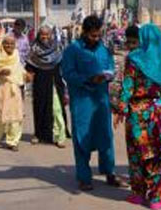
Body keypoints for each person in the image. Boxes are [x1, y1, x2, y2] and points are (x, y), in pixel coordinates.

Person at [113, 24, 161, 209]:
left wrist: (120, 110)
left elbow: (127, 87)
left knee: (137, 154)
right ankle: (156, 198)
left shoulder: (134, 59)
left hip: (137, 113)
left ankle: (137, 194)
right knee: (160, 154)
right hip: (160, 115)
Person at [61, 15, 124, 191]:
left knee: (106, 137)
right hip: (82, 101)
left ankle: (109, 172)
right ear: (84, 32)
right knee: (82, 138)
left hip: (102, 100)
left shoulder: (103, 49)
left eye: (98, 36)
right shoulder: (72, 50)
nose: (96, 39)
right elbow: (67, 73)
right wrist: (89, 79)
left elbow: (111, 67)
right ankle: (83, 177)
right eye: (92, 36)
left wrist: (108, 75)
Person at [25, 25, 70, 148]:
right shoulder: (34, 49)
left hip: (55, 83)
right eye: (42, 34)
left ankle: (59, 136)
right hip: (40, 83)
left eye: (47, 34)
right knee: (40, 108)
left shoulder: (57, 48)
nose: (44, 37)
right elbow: (29, 67)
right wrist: (28, 75)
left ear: (51, 35)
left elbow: (64, 65)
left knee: (57, 109)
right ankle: (39, 134)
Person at [0, 35, 26, 151]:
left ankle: (13, 141)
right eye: (6, 43)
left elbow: (20, 70)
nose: (9, 46)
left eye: (12, 44)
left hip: (13, 89)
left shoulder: (16, 56)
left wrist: (26, 76)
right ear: (2, 44)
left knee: (15, 115)